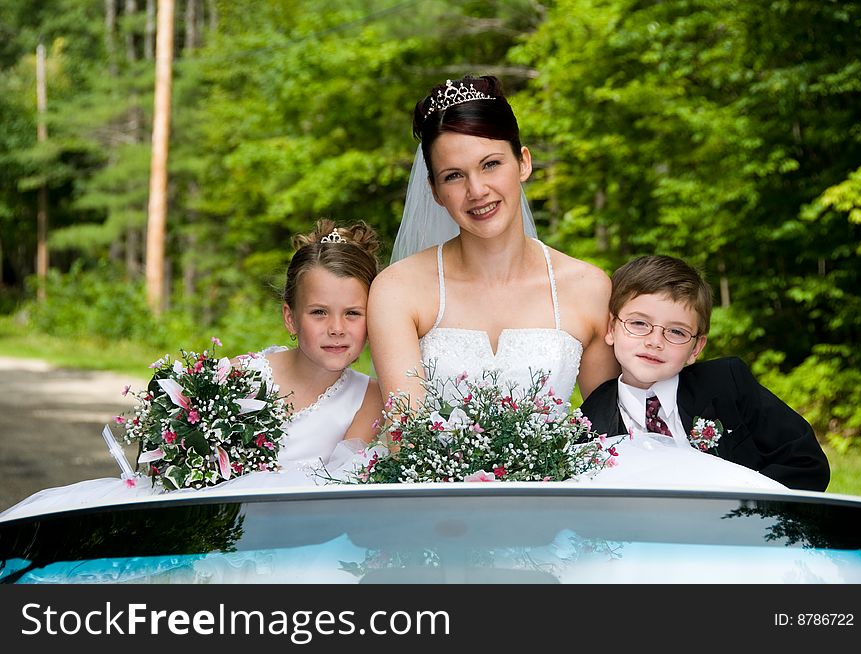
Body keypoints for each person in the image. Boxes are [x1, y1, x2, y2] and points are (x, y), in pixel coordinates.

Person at [0, 219, 385, 520]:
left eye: (353, 314)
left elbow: (340, 488)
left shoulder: (368, 397)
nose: (337, 328)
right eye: (319, 312)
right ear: (290, 317)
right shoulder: (239, 377)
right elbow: (170, 459)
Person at [367, 75, 619, 413]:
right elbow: (405, 434)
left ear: (523, 162)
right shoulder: (398, 290)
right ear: (435, 192)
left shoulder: (589, 289)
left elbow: (608, 433)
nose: (477, 190)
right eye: (453, 175)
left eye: (491, 164)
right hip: (434, 467)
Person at [579, 254, 831, 492]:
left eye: (676, 332)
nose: (655, 341)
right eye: (639, 323)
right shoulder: (590, 421)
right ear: (612, 328)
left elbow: (806, 462)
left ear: (695, 348)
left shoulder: (726, 384)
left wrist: (745, 507)